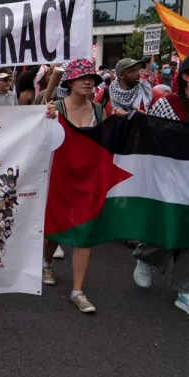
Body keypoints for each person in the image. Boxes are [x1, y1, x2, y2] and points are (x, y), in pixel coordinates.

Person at [43, 59, 126, 314]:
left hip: (89, 181)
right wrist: (43, 118)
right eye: (82, 77)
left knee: (86, 232)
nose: (89, 81)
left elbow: (108, 143)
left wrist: (119, 120)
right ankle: (46, 262)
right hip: (59, 178)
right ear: (70, 81)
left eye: (92, 78)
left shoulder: (101, 111)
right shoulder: (54, 108)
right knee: (55, 228)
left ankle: (78, 291)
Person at [133, 53, 189, 318]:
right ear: (186, 76)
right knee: (169, 229)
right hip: (174, 182)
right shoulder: (169, 105)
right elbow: (153, 140)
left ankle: (187, 291)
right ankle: (146, 256)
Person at [95, 58, 163, 116]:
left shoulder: (149, 92)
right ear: (121, 75)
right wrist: (114, 119)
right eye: (132, 71)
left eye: (138, 69)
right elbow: (96, 121)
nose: (138, 73)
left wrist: (143, 118)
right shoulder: (104, 94)